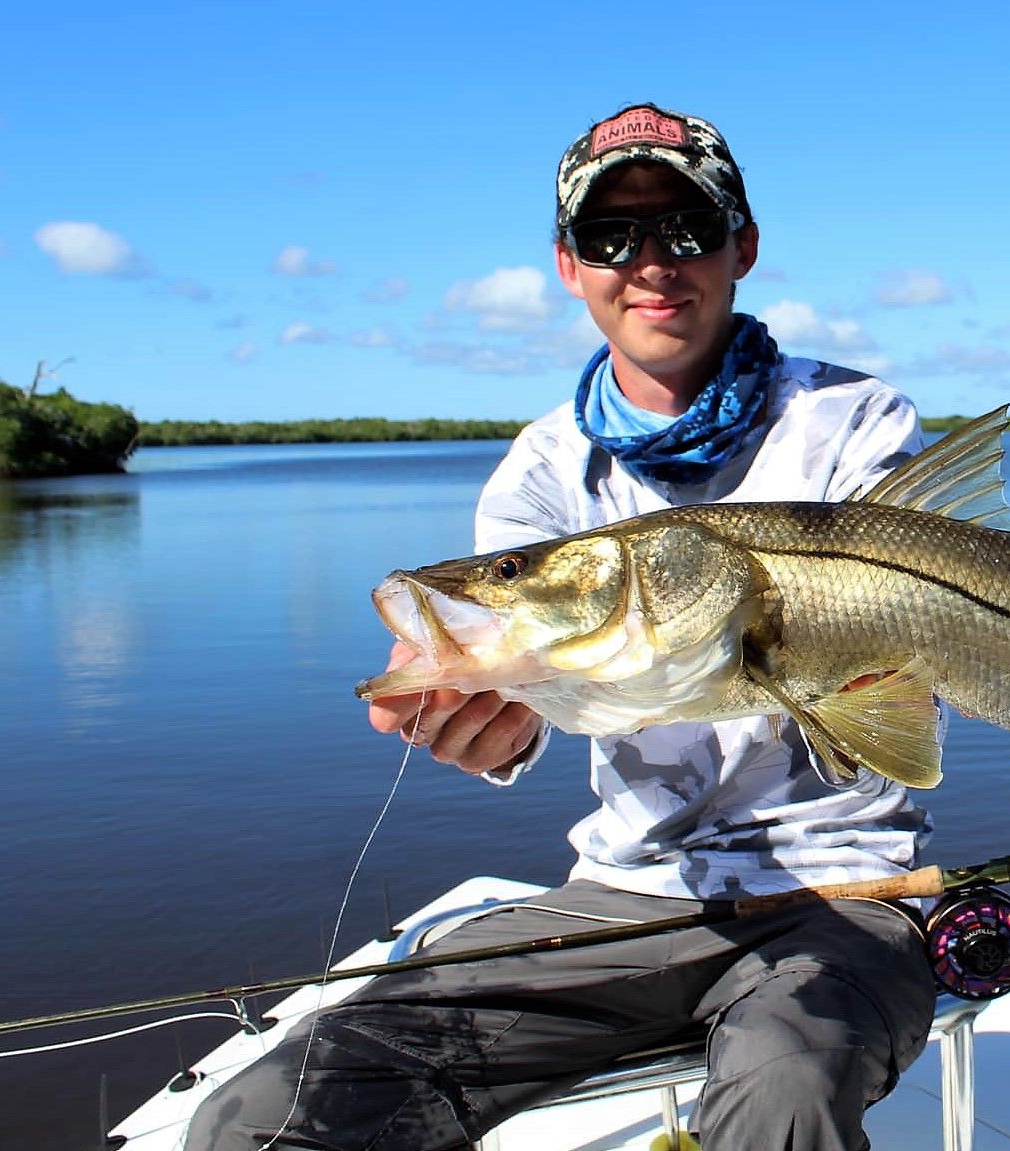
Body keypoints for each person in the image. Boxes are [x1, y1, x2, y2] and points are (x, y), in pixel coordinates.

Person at [190, 103, 936, 1151]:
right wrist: (479, 713)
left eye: (686, 227)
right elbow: (531, 699)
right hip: (622, 896)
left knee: (782, 1090)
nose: (649, 263)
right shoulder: (541, 470)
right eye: (608, 236)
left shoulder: (854, 421)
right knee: (263, 1113)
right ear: (567, 264)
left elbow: (908, 675)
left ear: (744, 245)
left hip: (849, 884)